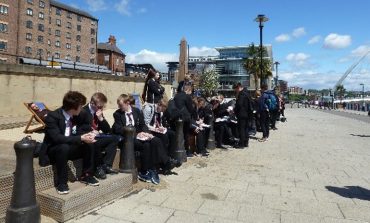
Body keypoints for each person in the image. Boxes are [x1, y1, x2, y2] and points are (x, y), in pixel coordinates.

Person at [112, 94, 179, 185]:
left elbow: (143, 125)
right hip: (129, 138)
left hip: (141, 135)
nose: (119, 107)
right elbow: (118, 129)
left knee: (156, 140)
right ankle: (163, 164)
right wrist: (136, 134)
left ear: (127, 103)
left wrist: (147, 133)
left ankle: (154, 167)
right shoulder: (117, 114)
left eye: (121, 105)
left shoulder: (137, 111)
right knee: (146, 145)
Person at [43, 91, 99, 195]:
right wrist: (80, 138)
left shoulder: (77, 115)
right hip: (55, 150)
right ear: (73, 107)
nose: (82, 108)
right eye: (81, 106)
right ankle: (62, 183)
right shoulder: (53, 117)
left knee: (89, 143)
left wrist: (87, 135)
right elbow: (57, 138)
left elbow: (82, 130)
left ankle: (87, 175)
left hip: (70, 147)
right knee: (63, 147)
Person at [76, 92, 120, 180]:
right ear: (92, 103)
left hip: (97, 136)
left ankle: (106, 165)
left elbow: (107, 130)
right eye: (99, 106)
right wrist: (90, 132)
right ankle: (97, 168)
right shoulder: (82, 111)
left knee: (115, 138)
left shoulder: (98, 111)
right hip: (86, 139)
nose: (101, 108)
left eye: (102, 106)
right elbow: (78, 129)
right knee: (94, 142)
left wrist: (101, 119)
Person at [173, 85, 195, 157]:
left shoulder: (176, 96)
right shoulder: (187, 96)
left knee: (178, 134)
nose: (191, 93)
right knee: (186, 134)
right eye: (190, 91)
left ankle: (177, 149)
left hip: (176, 117)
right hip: (185, 118)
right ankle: (187, 151)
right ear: (188, 90)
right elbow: (190, 108)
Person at [233, 83, 252, 149]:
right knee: (246, 129)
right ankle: (246, 142)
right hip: (247, 114)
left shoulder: (241, 94)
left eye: (236, 89)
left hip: (241, 114)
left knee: (241, 129)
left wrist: (234, 110)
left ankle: (241, 144)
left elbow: (239, 104)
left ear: (238, 87)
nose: (236, 91)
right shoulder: (247, 93)